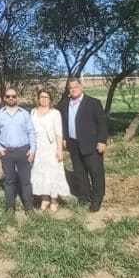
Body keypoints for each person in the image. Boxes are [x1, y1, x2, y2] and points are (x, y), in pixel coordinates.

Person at [59, 76, 108, 212]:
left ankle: (97, 200)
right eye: (71, 88)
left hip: (91, 144)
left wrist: (102, 141)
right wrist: (63, 137)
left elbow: (102, 123)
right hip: (73, 144)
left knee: (96, 173)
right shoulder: (65, 103)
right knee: (80, 172)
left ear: (81, 87)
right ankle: (84, 197)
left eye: (76, 87)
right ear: (69, 90)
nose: (73, 90)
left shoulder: (93, 103)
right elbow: (62, 121)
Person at [0, 87, 36, 214]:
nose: (11, 98)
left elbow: (31, 132)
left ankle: (29, 207)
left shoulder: (24, 114)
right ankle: (10, 208)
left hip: (23, 151)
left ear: (17, 98)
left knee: (26, 181)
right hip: (7, 152)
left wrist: (32, 149)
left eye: (13, 96)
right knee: (9, 181)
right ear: (4, 98)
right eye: (8, 96)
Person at [30, 88, 70, 212]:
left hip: (51, 147)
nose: (43, 99)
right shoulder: (32, 112)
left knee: (52, 173)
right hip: (38, 148)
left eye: (46, 97)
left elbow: (59, 134)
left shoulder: (55, 113)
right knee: (41, 173)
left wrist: (59, 151)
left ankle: (54, 200)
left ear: (50, 100)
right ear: (38, 99)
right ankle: (44, 198)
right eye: (41, 97)